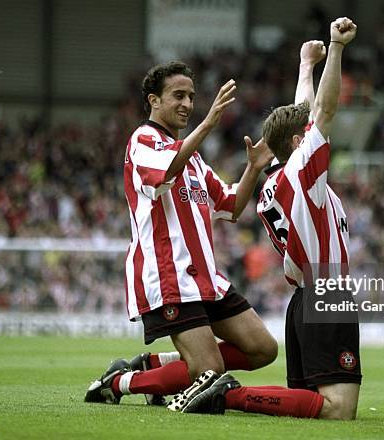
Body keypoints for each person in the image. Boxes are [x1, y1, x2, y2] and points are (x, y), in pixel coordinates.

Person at [171, 17, 361, 420]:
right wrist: (336, 47)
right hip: (326, 295)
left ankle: (224, 393)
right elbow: (321, 110)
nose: (313, 131)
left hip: (302, 301)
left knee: (312, 409)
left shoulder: (275, 180)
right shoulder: (303, 172)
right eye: (306, 133)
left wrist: (304, 65)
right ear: (298, 144)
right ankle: (227, 394)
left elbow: (302, 113)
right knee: (338, 410)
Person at [85, 61, 277, 404]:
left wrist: (254, 167)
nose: (187, 103)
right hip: (169, 276)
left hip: (205, 279)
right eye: (178, 95)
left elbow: (231, 206)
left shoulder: (195, 159)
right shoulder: (143, 140)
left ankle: (154, 366)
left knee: (263, 349)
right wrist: (207, 125)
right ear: (153, 101)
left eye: (191, 96)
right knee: (209, 373)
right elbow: (166, 168)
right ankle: (119, 384)